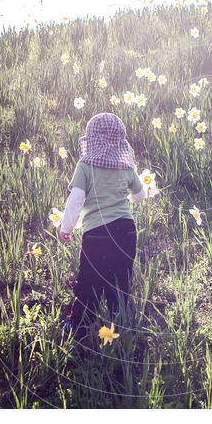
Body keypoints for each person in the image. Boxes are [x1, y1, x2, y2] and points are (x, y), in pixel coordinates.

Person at [58, 112, 147, 340]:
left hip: (97, 235)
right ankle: (120, 323)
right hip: (127, 231)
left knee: (89, 280)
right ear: (120, 139)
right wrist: (121, 198)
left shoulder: (85, 165)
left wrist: (66, 228)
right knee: (121, 278)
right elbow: (140, 196)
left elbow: (75, 200)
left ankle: (79, 327)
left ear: (91, 137)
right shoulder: (126, 166)